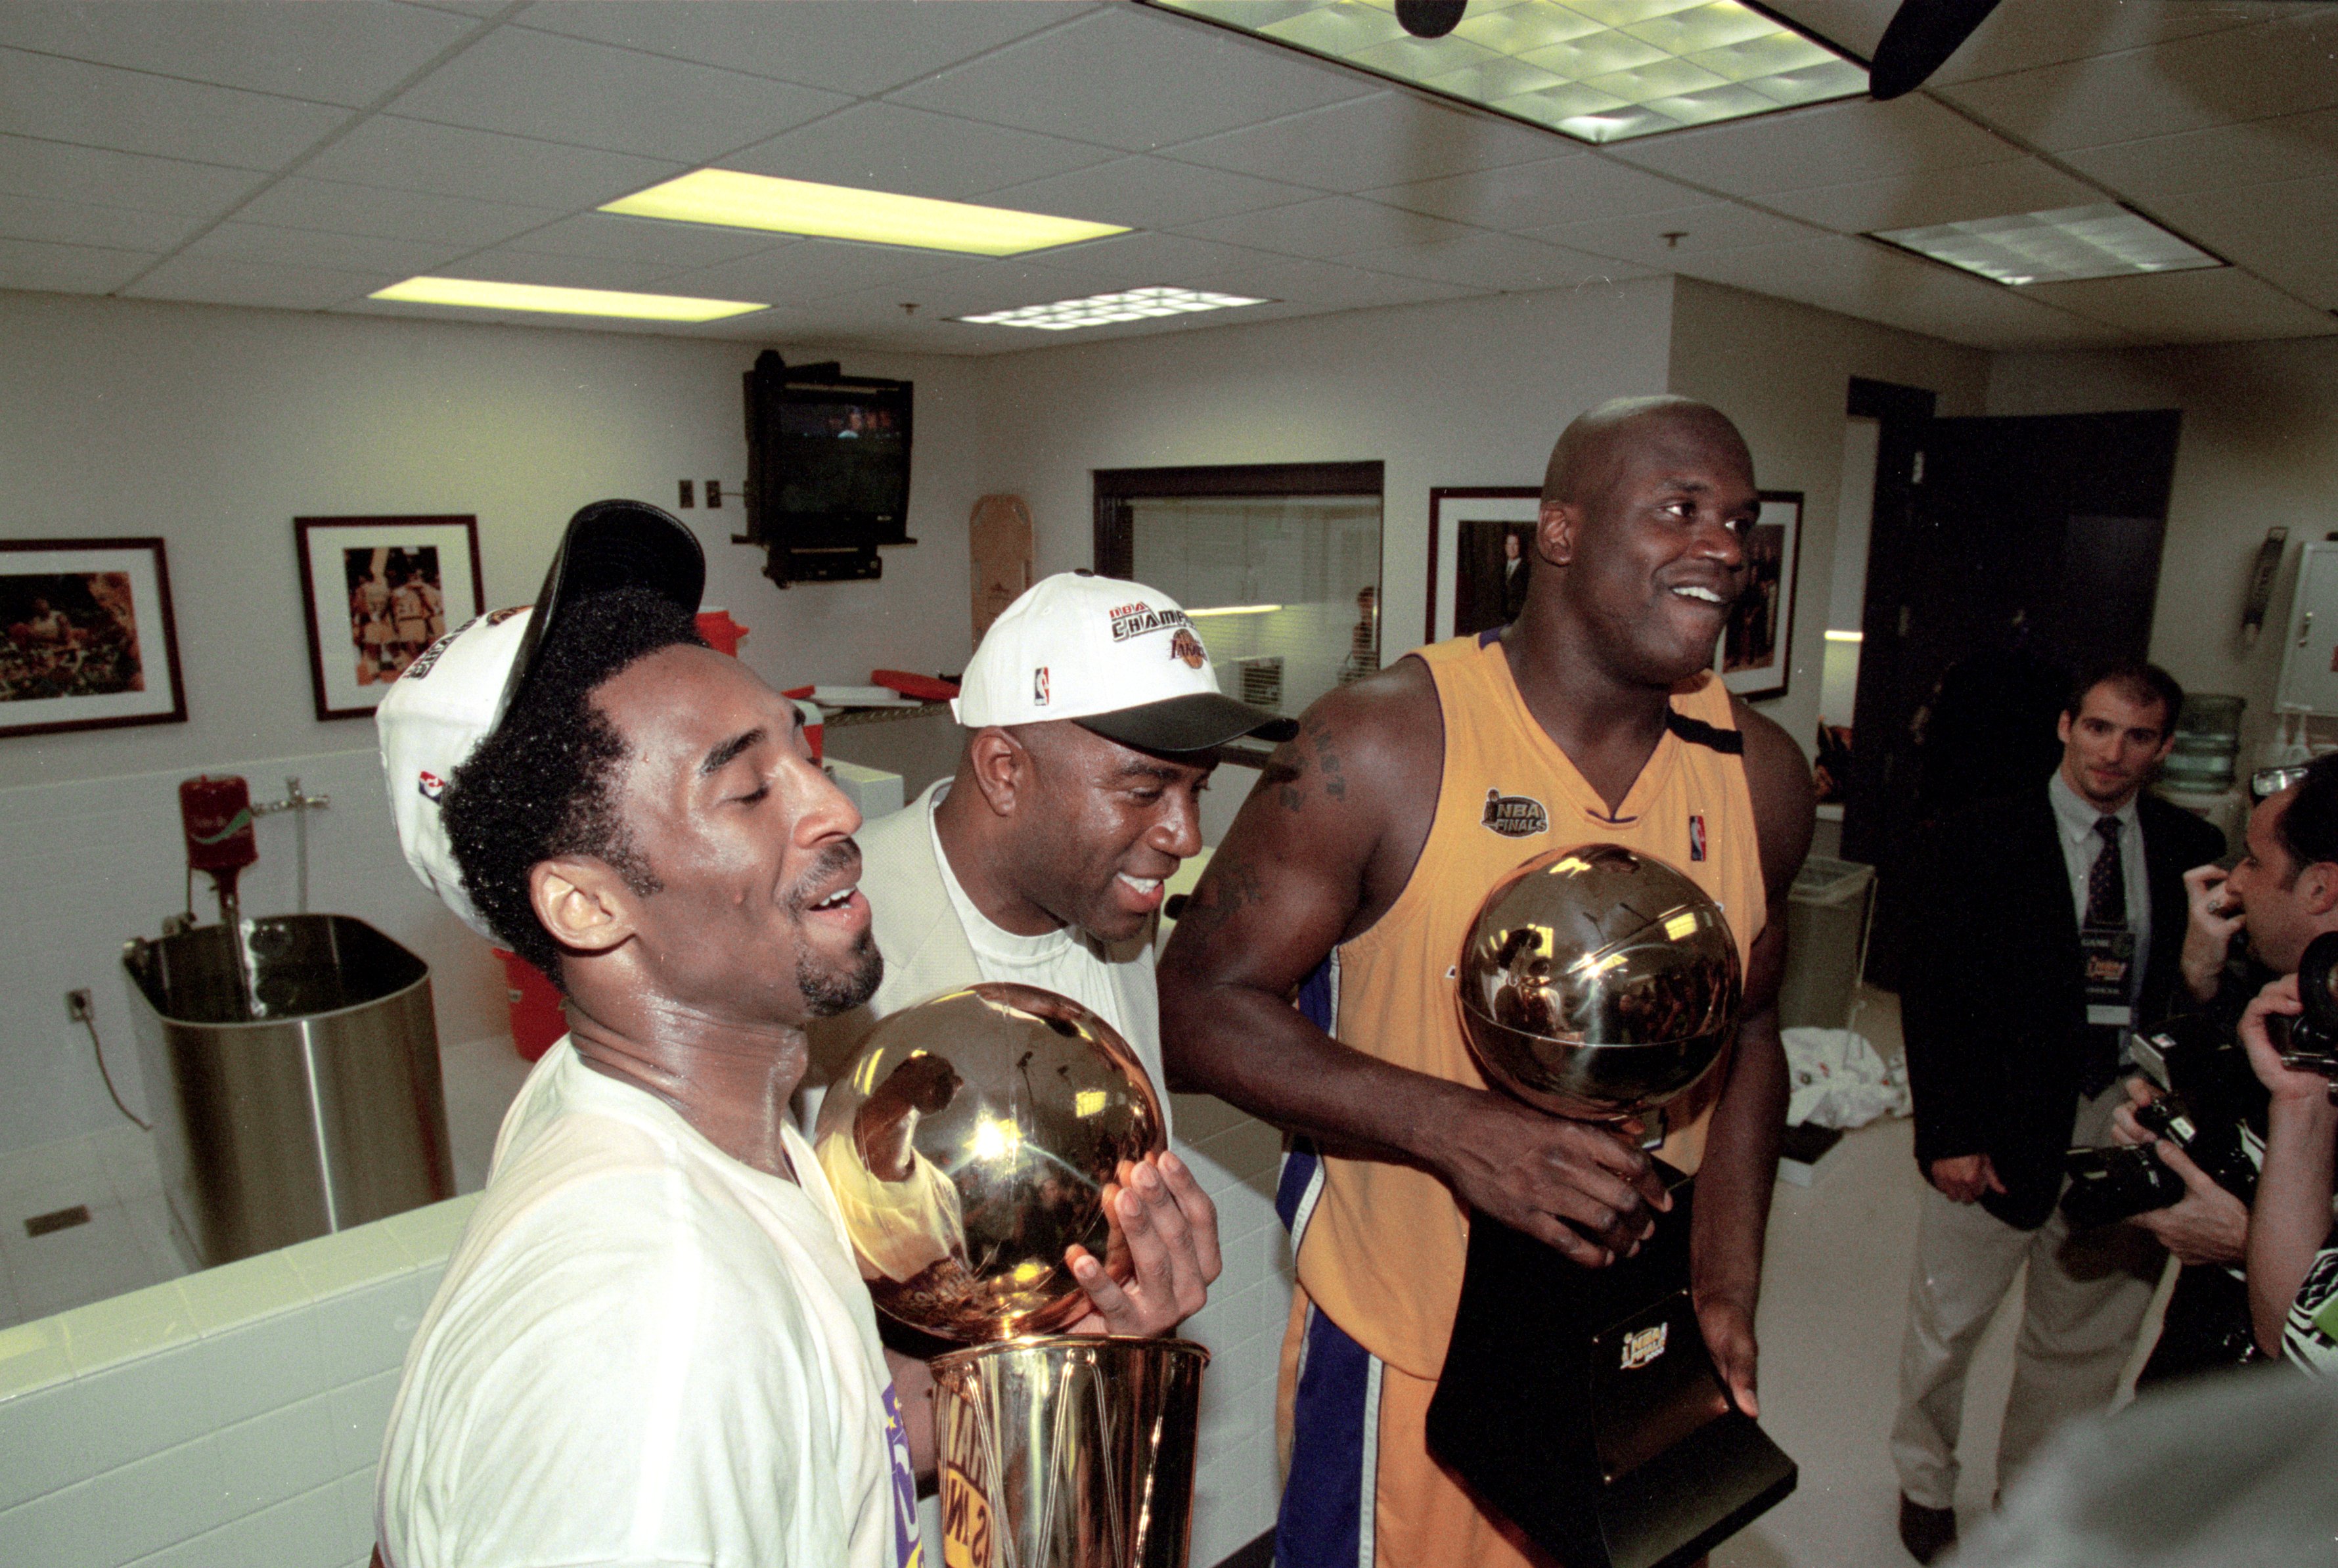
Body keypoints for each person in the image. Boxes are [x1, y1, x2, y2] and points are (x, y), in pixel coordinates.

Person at [369, 503, 1213, 1568]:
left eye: (800, 750)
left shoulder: (696, 1129)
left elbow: (830, 1432)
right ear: (584, 906)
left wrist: (1066, 1352)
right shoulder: (647, 1323)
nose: (834, 808)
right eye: (746, 788)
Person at [1158, 395, 1815, 1568]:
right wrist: (1460, 1130)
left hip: (1631, 1342)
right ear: (1556, 532)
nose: (1722, 545)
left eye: (1738, 521)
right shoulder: (1381, 743)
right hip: (1407, 1345)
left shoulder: (1759, 774)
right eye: (1678, 509)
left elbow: (1750, 1035)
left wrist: (1722, 1283)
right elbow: (1195, 1006)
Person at [1890, 661, 2223, 1563]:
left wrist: (2199, 976)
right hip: (1993, 1126)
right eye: (2098, 728)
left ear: (2160, 747)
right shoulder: (1976, 837)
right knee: (1946, 1328)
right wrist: (1947, 1134)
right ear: (2064, 725)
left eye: (2137, 736)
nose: (2113, 753)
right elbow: (1934, 996)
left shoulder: (2190, 844)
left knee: (2078, 1344)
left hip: (2121, 1122)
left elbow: (2200, 1001)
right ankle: (1922, 1479)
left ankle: (2028, 1499)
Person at [806, 569, 1293, 1140]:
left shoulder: (1109, 904)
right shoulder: (821, 942)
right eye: (1144, 792)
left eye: (1197, 789)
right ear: (1004, 771)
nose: (1185, 839)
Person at [2109, 755, 2338, 1382]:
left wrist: (2242, 1244)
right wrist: (2200, 980)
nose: (2234, 881)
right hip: (2199, 1364)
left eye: (2254, 860)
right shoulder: (2287, 998)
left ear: (2319, 887)